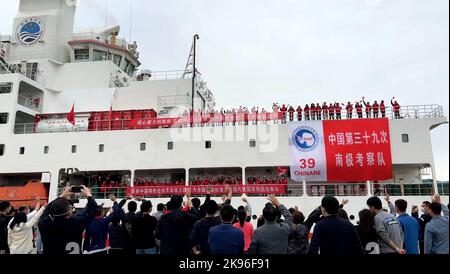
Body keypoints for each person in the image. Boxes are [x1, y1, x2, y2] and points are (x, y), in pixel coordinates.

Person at [38, 186, 98, 254]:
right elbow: (94, 210)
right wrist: (89, 195)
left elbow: (47, 209)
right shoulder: (76, 222)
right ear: (69, 213)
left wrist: (62, 195)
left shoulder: (44, 224)